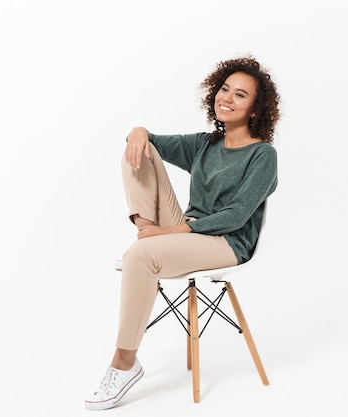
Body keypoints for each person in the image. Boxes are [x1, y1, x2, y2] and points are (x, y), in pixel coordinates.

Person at [84, 55, 281, 411]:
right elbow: (145, 140)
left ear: (255, 109)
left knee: (140, 257)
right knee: (138, 152)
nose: (227, 98)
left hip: (226, 242)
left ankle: (124, 364)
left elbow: (236, 215)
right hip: (185, 233)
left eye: (240, 95)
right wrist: (138, 131)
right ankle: (145, 238)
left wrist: (171, 232)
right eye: (224, 89)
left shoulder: (263, 155)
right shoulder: (205, 145)